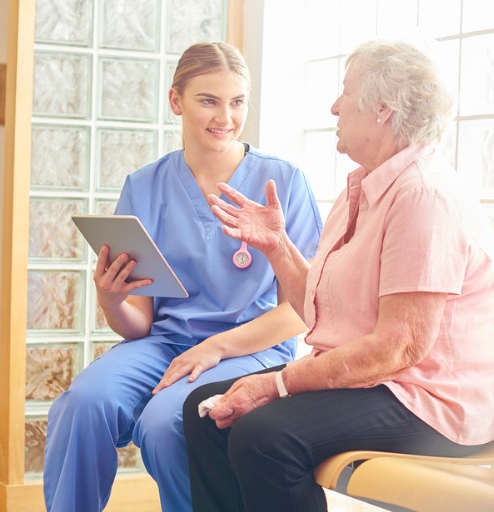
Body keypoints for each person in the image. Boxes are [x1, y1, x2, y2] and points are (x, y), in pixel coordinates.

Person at [183, 39, 494, 511]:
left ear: (382, 110)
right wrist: (278, 247)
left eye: (346, 93)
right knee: (207, 411)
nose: (334, 106)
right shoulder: (363, 188)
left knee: (265, 437)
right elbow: (319, 311)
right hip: (378, 382)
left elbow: (399, 347)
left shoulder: (423, 196)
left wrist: (277, 384)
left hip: (429, 401)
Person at [43, 42, 323, 512]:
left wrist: (215, 347)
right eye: (208, 100)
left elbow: (303, 312)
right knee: (83, 404)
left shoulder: (284, 181)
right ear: (176, 102)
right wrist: (111, 300)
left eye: (237, 102)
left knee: (164, 425)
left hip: (250, 350)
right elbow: (142, 324)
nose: (225, 117)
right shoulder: (145, 186)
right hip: (167, 345)